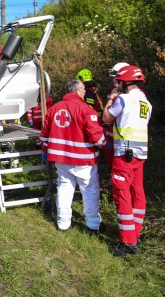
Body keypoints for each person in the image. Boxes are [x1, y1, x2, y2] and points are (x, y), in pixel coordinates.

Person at [39, 79, 105, 233]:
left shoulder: (54, 108)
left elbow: (44, 135)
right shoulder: (87, 110)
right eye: (83, 90)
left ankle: (63, 224)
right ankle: (93, 225)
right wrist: (106, 144)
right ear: (77, 91)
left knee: (64, 188)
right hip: (84, 160)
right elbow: (97, 138)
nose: (85, 93)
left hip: (61, 159)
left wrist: (45, 149)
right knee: (89, 191)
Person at [102, 65, 152, 256]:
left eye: (119, 81)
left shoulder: (123, 99)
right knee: (137, 191)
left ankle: (128, 242)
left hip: (124, 154)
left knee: (121, 193)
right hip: (140, 154)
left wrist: (110, 98)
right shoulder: (146, 102)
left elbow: (107, 118)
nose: (117, 84)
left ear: (125, 82)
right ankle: (135, 233)